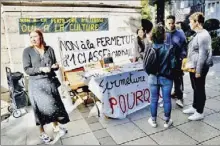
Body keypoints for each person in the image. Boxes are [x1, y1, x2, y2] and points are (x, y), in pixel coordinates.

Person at [22, 29, 70, 143]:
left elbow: (54, 64)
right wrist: (41, 69)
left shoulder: (49, 49)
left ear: (41, 37)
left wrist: (55, 66)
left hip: (49, 82)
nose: (33, 39)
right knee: (40, 110)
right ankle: (42, 132)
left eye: (35, 36)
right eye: (31, 37)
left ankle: (56, 126)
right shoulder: (27, 51)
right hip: (36, 85)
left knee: (54, 106)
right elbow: (27, 69)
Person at [182, 12, 213, 120]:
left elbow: (203, 55)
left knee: (199, 89)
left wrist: (198, 71)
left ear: (197, 23)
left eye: (191, 22)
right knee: (195, 87)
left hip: (199, 67)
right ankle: (195, 107)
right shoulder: (198, 33)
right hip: (193, 66)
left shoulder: (203, 35)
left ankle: (200, 112)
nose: (189, 24)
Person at [146, 23, 176, 128]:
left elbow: (145, 65)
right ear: (164, 35)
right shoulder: (169, 47)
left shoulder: (149, 47)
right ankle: (167, 122)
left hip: (153, 77)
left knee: (153, 99)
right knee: (167, 99)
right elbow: (173, 65)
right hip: (166, 78)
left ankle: (153, 120)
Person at [165, 15, 187, 108]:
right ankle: (168, 97)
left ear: (175, 22)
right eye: (169, 23)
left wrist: (182, 57)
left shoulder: (180, 33)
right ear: (166, 23)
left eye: (172, 23)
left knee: (178, 80)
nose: (170, 25)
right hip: (166, 61)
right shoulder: (163, 33)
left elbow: (184, 46)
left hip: (178, 61)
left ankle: (180, 97)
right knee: (166, 80)